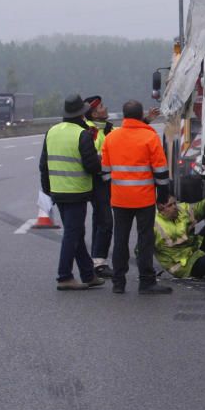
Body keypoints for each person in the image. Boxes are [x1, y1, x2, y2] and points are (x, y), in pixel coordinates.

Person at [101, 100, 171, 294]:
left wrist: (114, 189)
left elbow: (105, 172)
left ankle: (118, 282)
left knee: (120, 239)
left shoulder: (111, 138)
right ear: (141, 114)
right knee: (144, 239)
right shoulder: (149, 137)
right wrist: (163, 195)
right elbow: (161, 170)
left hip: (120, 199)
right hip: (144, 199)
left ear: (124, 115)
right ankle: (146, 281)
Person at [39, 94, 105, 290]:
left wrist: (47, 190)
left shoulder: (51, 131)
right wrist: (101, 160)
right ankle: (64, 276)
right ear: (82, 114)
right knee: (72, 234)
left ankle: (87, 274)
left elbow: (43, 165)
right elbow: (92, 166)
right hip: (77, 191)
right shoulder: (82, 134)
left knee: (75, 233)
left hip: (58, 191)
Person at [84, 95, 114, 277]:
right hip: (97, 180)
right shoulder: (91, 131)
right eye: (102, 106)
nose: (106, 107)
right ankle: (99, 263)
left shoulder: (106, 128)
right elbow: (94, 156)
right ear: (95, 113)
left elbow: (124, 134)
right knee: (105, 221)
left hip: (104, 180)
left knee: (99, 219)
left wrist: (144, 120)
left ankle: (96, 260)